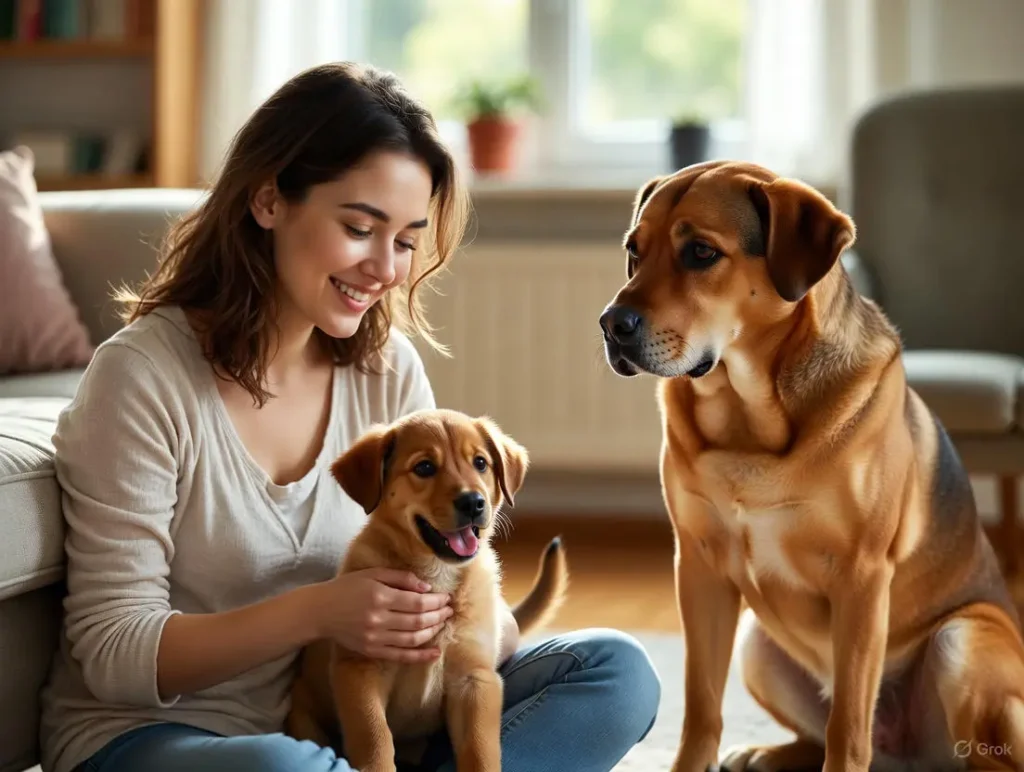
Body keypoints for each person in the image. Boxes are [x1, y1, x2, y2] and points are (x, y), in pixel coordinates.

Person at [37, 62, 660, 772]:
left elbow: (448, 574)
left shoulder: (386, 370)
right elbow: (114, 654)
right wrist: (321, 611)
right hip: (161, 737)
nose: (386, 268)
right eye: (360, 228)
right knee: (278, 766)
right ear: (268, 200)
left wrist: (474, 628)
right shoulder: (141, 379)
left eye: (404, 240)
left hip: (360, 726)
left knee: (616, 672)